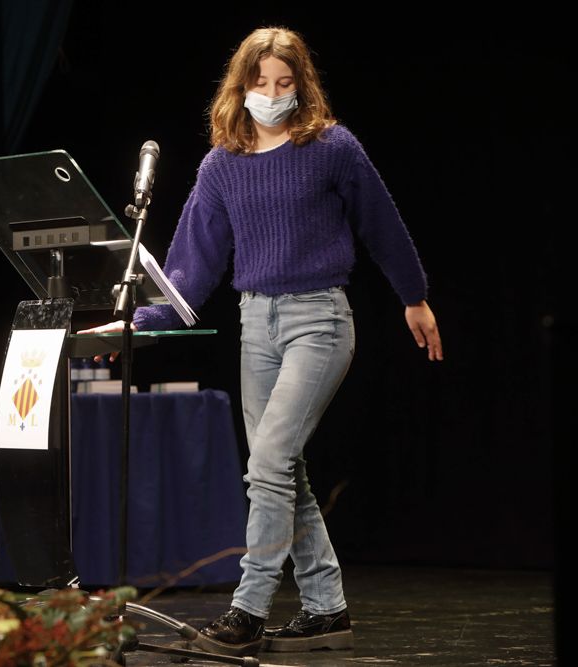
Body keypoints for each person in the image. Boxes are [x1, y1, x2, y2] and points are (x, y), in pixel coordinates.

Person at [80, 27, 442, 656]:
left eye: (284, 83)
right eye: (260, 83)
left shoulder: (332, 148)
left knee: (269, 464)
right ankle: (327, 608)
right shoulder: (221, 164)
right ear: (240, 87)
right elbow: (191, 269)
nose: (272, 95)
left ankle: (247, 611)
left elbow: (382, 223)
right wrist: (138, 321)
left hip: (319, 321)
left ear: (302, 86)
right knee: (284, 470)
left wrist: (414, 296)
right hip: (256, 326)